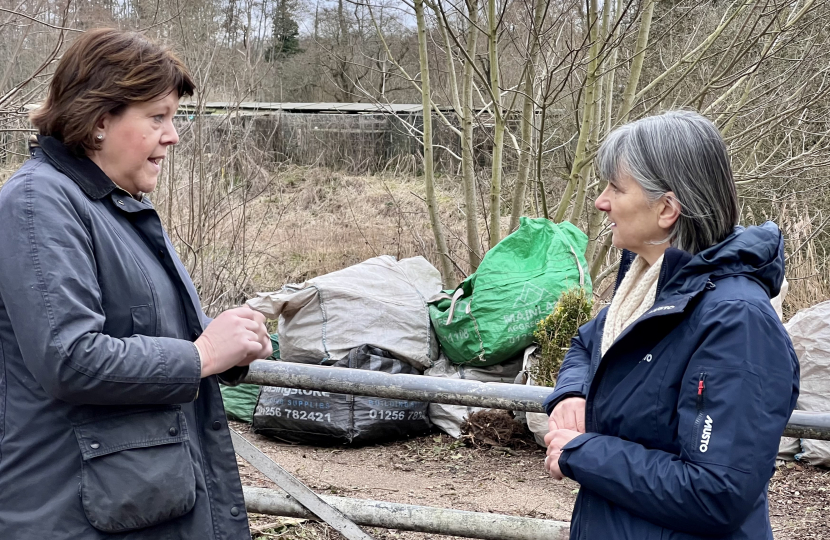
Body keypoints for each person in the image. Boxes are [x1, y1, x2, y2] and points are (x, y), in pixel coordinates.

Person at [0, 29, 272, 538]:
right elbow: (70, 357)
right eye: (157, 117)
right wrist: (203, 356)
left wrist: (228, 340)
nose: (172, 135)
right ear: (101, 120)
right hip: (70, 513)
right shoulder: (39, 204)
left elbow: (143, 325)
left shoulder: (114, 205)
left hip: (131, 503)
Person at [543, 110, 799, 539]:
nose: (600, 201)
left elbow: (717, 492)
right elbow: (589, 343)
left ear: (666, 209)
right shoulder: (651, 287)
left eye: (615, 188)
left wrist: (582, 453)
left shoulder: (737, 322)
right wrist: (571, 391)